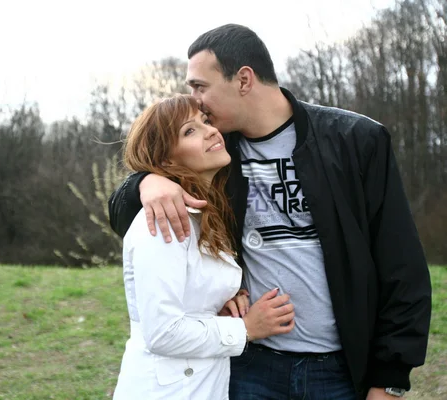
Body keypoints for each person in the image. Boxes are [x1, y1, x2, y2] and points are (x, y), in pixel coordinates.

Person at [108, 24, 432, 400]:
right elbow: (125, 216)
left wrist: (390, 379)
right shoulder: (218, 154)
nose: (194, 99)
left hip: (340, 372)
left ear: (243, 79)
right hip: (248, 366)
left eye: (200, 86)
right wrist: (146, 182)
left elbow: (401, 264)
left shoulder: (354, 140)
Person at [112, 94, 295, 400]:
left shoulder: (205, 215)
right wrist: (246, 329)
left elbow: (189, 296)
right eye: (190, 131)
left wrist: (223, 303)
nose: (210, 131)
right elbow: (162, 333)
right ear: (167, 160)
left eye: (206, 121)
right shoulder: (162, 221)